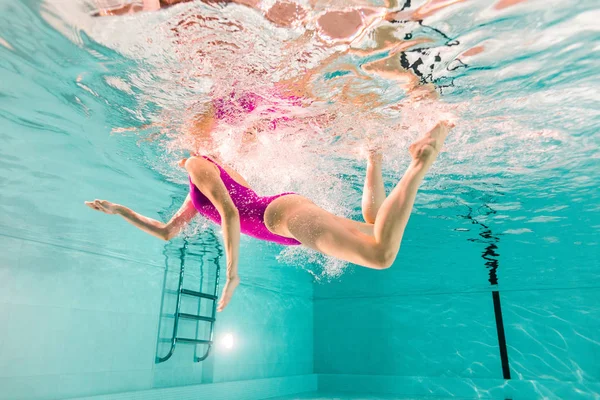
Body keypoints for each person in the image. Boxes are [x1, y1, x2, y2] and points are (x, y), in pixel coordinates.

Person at [85, 119, 454, 311]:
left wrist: (232, 275)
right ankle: (373, 156)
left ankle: (421, 159)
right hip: (284, 217)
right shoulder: (194, 186)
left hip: (280, 217)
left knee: (380, 255)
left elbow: (230, 214)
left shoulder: (198, 163)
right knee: (376, 230)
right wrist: (121, 211)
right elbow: (167, 232)